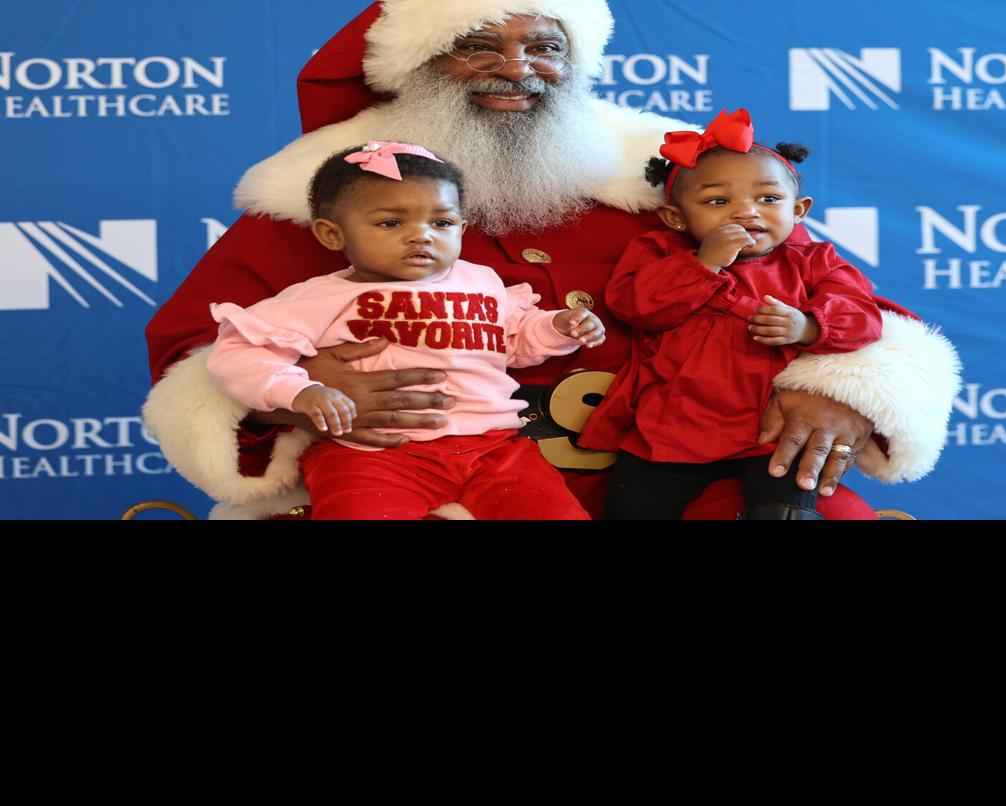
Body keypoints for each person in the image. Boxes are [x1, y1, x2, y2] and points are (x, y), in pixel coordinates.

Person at [142, 0, 961, 520]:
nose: (516, 70)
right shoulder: (332, 204)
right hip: (416, 487)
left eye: (542, 46)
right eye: (476, 45)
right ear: (412, 70)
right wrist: (297, 390)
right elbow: (193, 352)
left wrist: (840, 391)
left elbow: (857, 306)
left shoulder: (673, 183)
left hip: (691, 474)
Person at [205, 141, 601, 519]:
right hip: (373, 454)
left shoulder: (481, 281)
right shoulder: (320, 297)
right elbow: (238, 353)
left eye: (442, 222)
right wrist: (299, 390)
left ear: (461, 228)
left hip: (494, 448)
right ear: (332, 234)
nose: (421, 235)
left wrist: (559, 327)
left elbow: (514, 341)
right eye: (391, 222)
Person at [579, 109, 882, 520]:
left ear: (799, 210)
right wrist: (703, 264)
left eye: (769, 199)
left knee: (786, 509)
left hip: (769, 430)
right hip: (672, 425)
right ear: (676, 218)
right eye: (718, 201)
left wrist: (809, 327)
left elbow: (864, 317)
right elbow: (634, 306)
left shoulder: (815, 261)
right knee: (632, 507)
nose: (747, 212)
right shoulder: (661, 252)